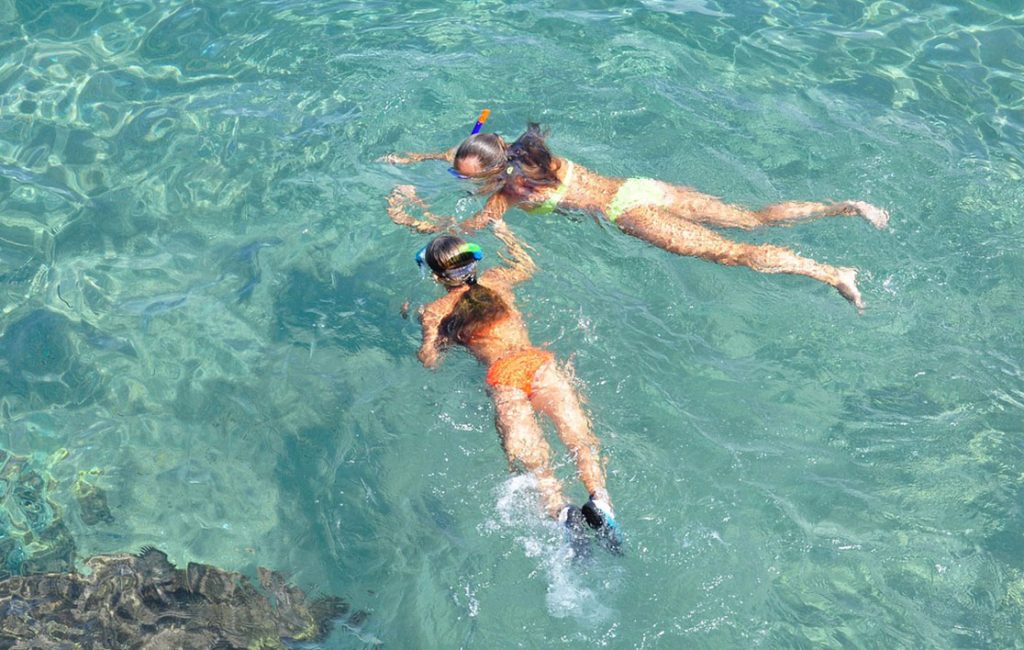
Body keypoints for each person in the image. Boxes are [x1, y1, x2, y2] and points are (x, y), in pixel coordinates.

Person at [383, 122, 890, 310]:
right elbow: (466, 151)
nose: (460, 176)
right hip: (639, 187)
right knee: (752, 219)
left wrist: (412, 219)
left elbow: (465, 235)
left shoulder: (510, 192)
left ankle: (832, 273)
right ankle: (847, 207)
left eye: (464, 175)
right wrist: (416, 159)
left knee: (733, 254)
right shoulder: (523, 154)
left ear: (493, 171)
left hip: (634, 214)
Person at [408, 217, 621, 555]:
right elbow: (527, 263)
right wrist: (505, 233)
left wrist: (420, 320)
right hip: (538, 363)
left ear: (436, 277)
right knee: (579, 439)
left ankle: (563, 512)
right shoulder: (498, 280)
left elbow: (429, 361)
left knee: (535, 461)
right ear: (475, 261)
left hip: (504, 376)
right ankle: (600, 500)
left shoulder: (437, 310)